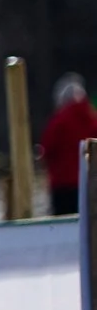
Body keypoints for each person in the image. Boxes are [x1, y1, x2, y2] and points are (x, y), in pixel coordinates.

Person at [42, 74, 97, 217]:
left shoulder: (59, 121)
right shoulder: (92, 119)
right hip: (89, 184)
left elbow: (47, 149)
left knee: (63, 226)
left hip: (63, 185)